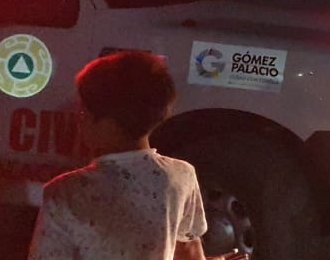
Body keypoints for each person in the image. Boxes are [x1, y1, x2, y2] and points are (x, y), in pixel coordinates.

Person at [28, 51, 208, 260]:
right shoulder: (182, 176)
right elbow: (190, 252)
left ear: (107, 123)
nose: (80, 121)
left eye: (84, 112)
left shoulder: (65, 192)